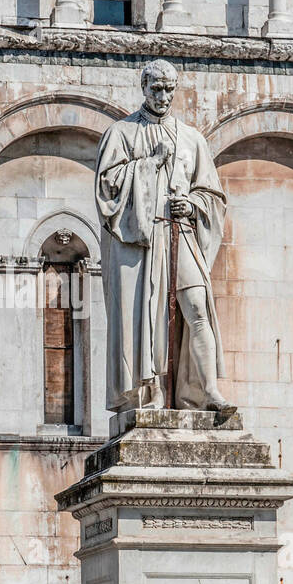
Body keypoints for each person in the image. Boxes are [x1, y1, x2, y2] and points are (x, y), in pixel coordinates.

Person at [95, 58, 236, 418]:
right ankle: (152, 392)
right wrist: (150, 164)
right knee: (151, 315)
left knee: (198, 307)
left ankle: (208, 391)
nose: (162, 96)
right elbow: (108, 188)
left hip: (182, 234)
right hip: (145, 240)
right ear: (143, 88)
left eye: (169, 90)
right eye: (156, 89)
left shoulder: (193, 139)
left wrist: (191, 205)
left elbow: (213, 195)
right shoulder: (122, 133)